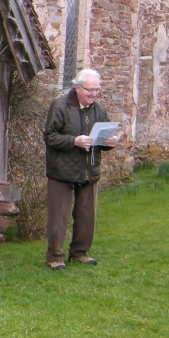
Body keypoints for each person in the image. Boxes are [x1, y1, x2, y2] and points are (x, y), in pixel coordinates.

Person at [43, 68, 119, 269]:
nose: (93, 94)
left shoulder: (98, 109)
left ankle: (80, 253)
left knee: (87, 215)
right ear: (77, 88)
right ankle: (55, 257)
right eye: (89, 90)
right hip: (62, 171)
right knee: (59, 217)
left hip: (88, 170)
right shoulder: (60, 106)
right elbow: (50, 137)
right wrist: (73, 141)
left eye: (96, 90)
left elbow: (100, 139)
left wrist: (109, 142)